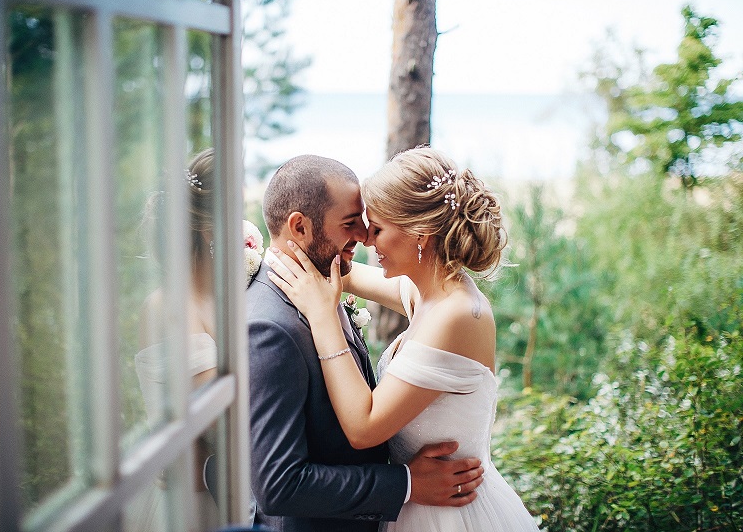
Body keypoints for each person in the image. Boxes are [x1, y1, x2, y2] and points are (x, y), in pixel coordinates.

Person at [267, 147, 540, 531]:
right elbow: (337, 272)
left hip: (450, 513)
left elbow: (364, 428)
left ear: (420, 235)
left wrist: (322, 316)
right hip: (416, 504)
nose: (364, 239)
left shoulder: (457, 315)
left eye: (376, 228)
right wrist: (262, 245)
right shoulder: (426, 292)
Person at [129, 148, 220, 531]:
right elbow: (222, 426)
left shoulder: (222, 296)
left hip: (222, 493)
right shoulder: (167, 307)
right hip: (190, 506)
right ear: (211, 231)